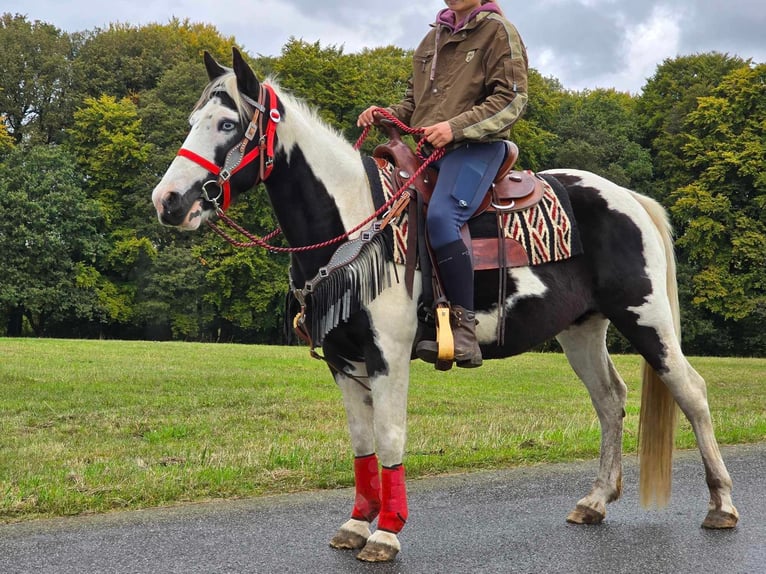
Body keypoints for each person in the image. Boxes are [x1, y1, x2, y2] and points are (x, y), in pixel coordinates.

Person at [357, 0, 528, 368]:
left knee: (441, 218)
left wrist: (454, 128)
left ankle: (464, 328)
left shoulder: (498, 31)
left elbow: (511, 98)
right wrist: (386, 115)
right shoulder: (430, 39)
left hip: (477, 147)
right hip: (427, 149)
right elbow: (413, 104)